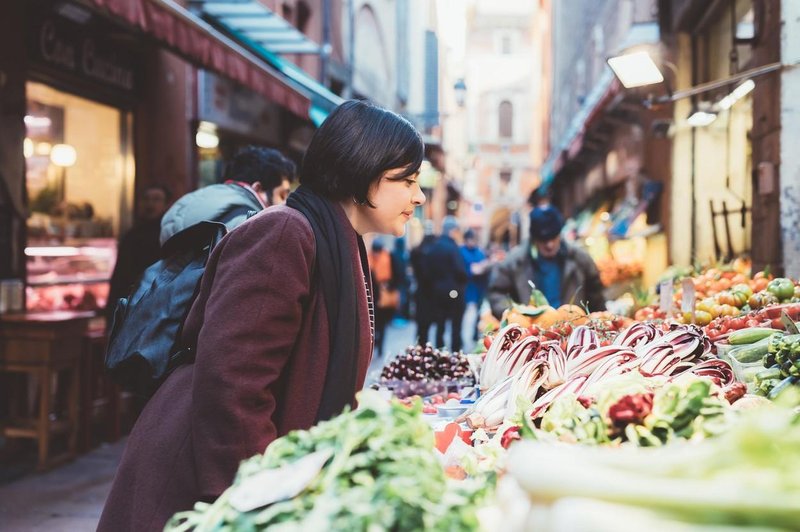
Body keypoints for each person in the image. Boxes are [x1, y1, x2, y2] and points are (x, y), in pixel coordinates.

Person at [97, 100, 426, 532]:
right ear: (363, 172)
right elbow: (233, 384)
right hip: (203, 482)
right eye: (408, 180)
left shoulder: (340, 243)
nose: (418, 196)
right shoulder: (285, 233)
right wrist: (257, 502)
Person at [158, 147, 296, 245]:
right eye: (282, 195)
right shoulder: (250, 223)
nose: (284, 203)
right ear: (258, 188)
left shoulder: (192, 200)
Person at [488, 205, 605, 319]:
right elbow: (497, 294)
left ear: (560, 234)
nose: (550, 245)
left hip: (572, 330)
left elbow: (596, 297)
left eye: (553, 238)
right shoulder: (514, 262)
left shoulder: (580, 259)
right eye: (543, 240)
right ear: (534, 238)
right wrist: (514, 315)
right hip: (532, 332)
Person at [106, 184, 171, 321]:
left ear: (166, 204)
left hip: (158, 305)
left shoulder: (169, 235)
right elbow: (120, 273)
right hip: (131, 302)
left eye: (156, 199)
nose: (150, 204)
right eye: (147, 199)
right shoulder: (132, 234)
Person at [426, 216, 468, 352]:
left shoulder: (434, 246)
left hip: (437, 291)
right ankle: (456, 353)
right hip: (454, 291)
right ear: (452, 230)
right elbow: (460, 270)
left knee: (440, 323)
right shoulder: (452, 247)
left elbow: (428, 270)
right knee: (456, 325)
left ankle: (439, 351)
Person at [368, 239, 399, 358]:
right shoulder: (368, 257)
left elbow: (396, 274)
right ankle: (375, 343)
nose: (376, 254)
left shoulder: (389, 257)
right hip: (372, 296)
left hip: (385, 294)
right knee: (373, 322)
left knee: (383, 322)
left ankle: (380, 346)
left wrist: (390, 285)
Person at [410, 220, 437, 344]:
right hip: (431, 292)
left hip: (421, 291)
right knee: (433, 325)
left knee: (422, 326)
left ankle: (421, 346)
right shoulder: (433, 251)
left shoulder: (417, 250)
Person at [460, 229, 489, 342]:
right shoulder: (461, 251)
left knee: (477, 313)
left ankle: (475, 334)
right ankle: (463, 337)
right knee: (465, 314)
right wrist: (472, 269)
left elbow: (483, 264)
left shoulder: (479, 251)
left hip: (479, 287)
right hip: (465, 288)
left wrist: (484, 266)